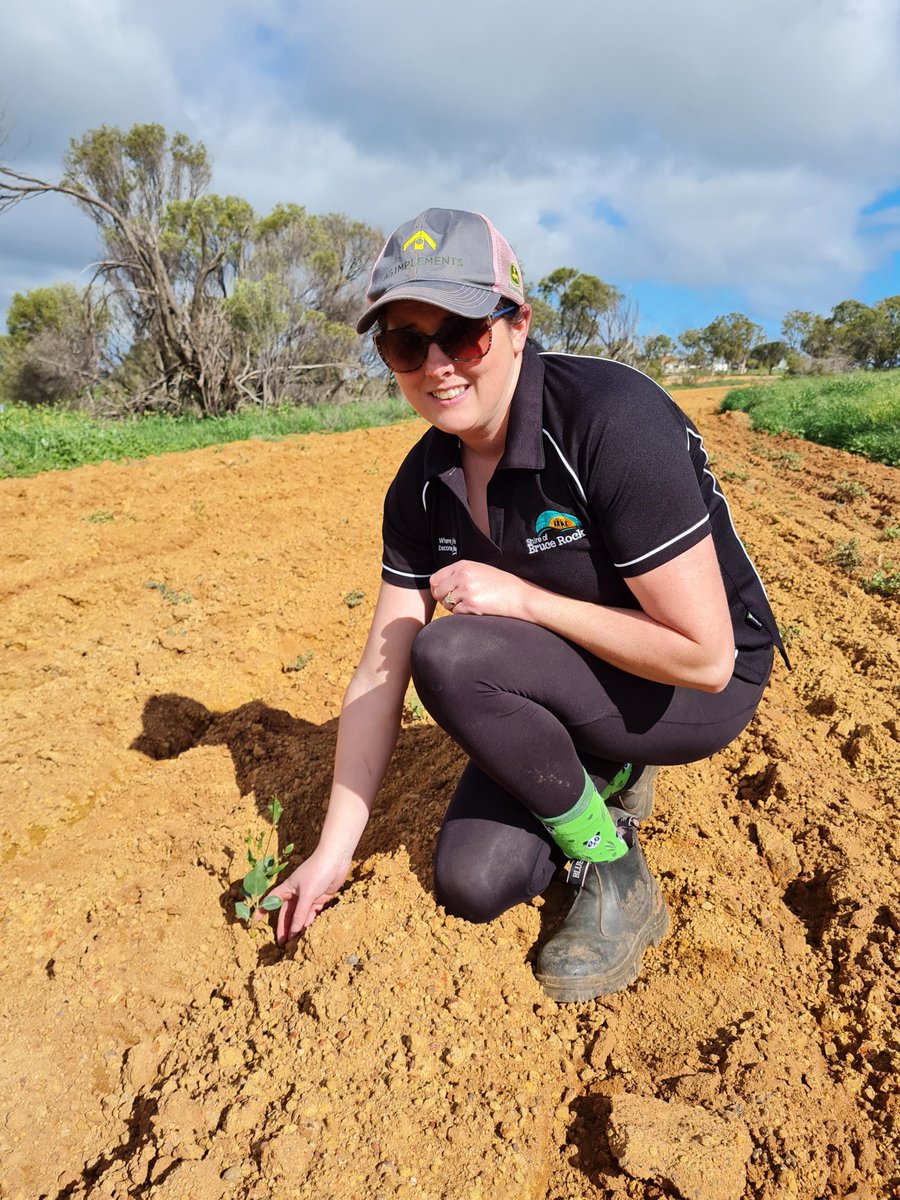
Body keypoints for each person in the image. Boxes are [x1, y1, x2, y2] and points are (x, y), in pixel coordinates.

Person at [268, 207, 787, 1001]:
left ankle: (615, 872)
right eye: (406, 343)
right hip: (575, 673)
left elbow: (707, 658)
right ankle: (605, 769)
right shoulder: (421, 487)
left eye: (463, 332)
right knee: (473, 882)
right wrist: (333, 851)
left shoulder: (610, 421)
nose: (436, 364)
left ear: (517, 325)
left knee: (450, 653)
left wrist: (526, 600)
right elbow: (379, 674)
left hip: (692, 681)